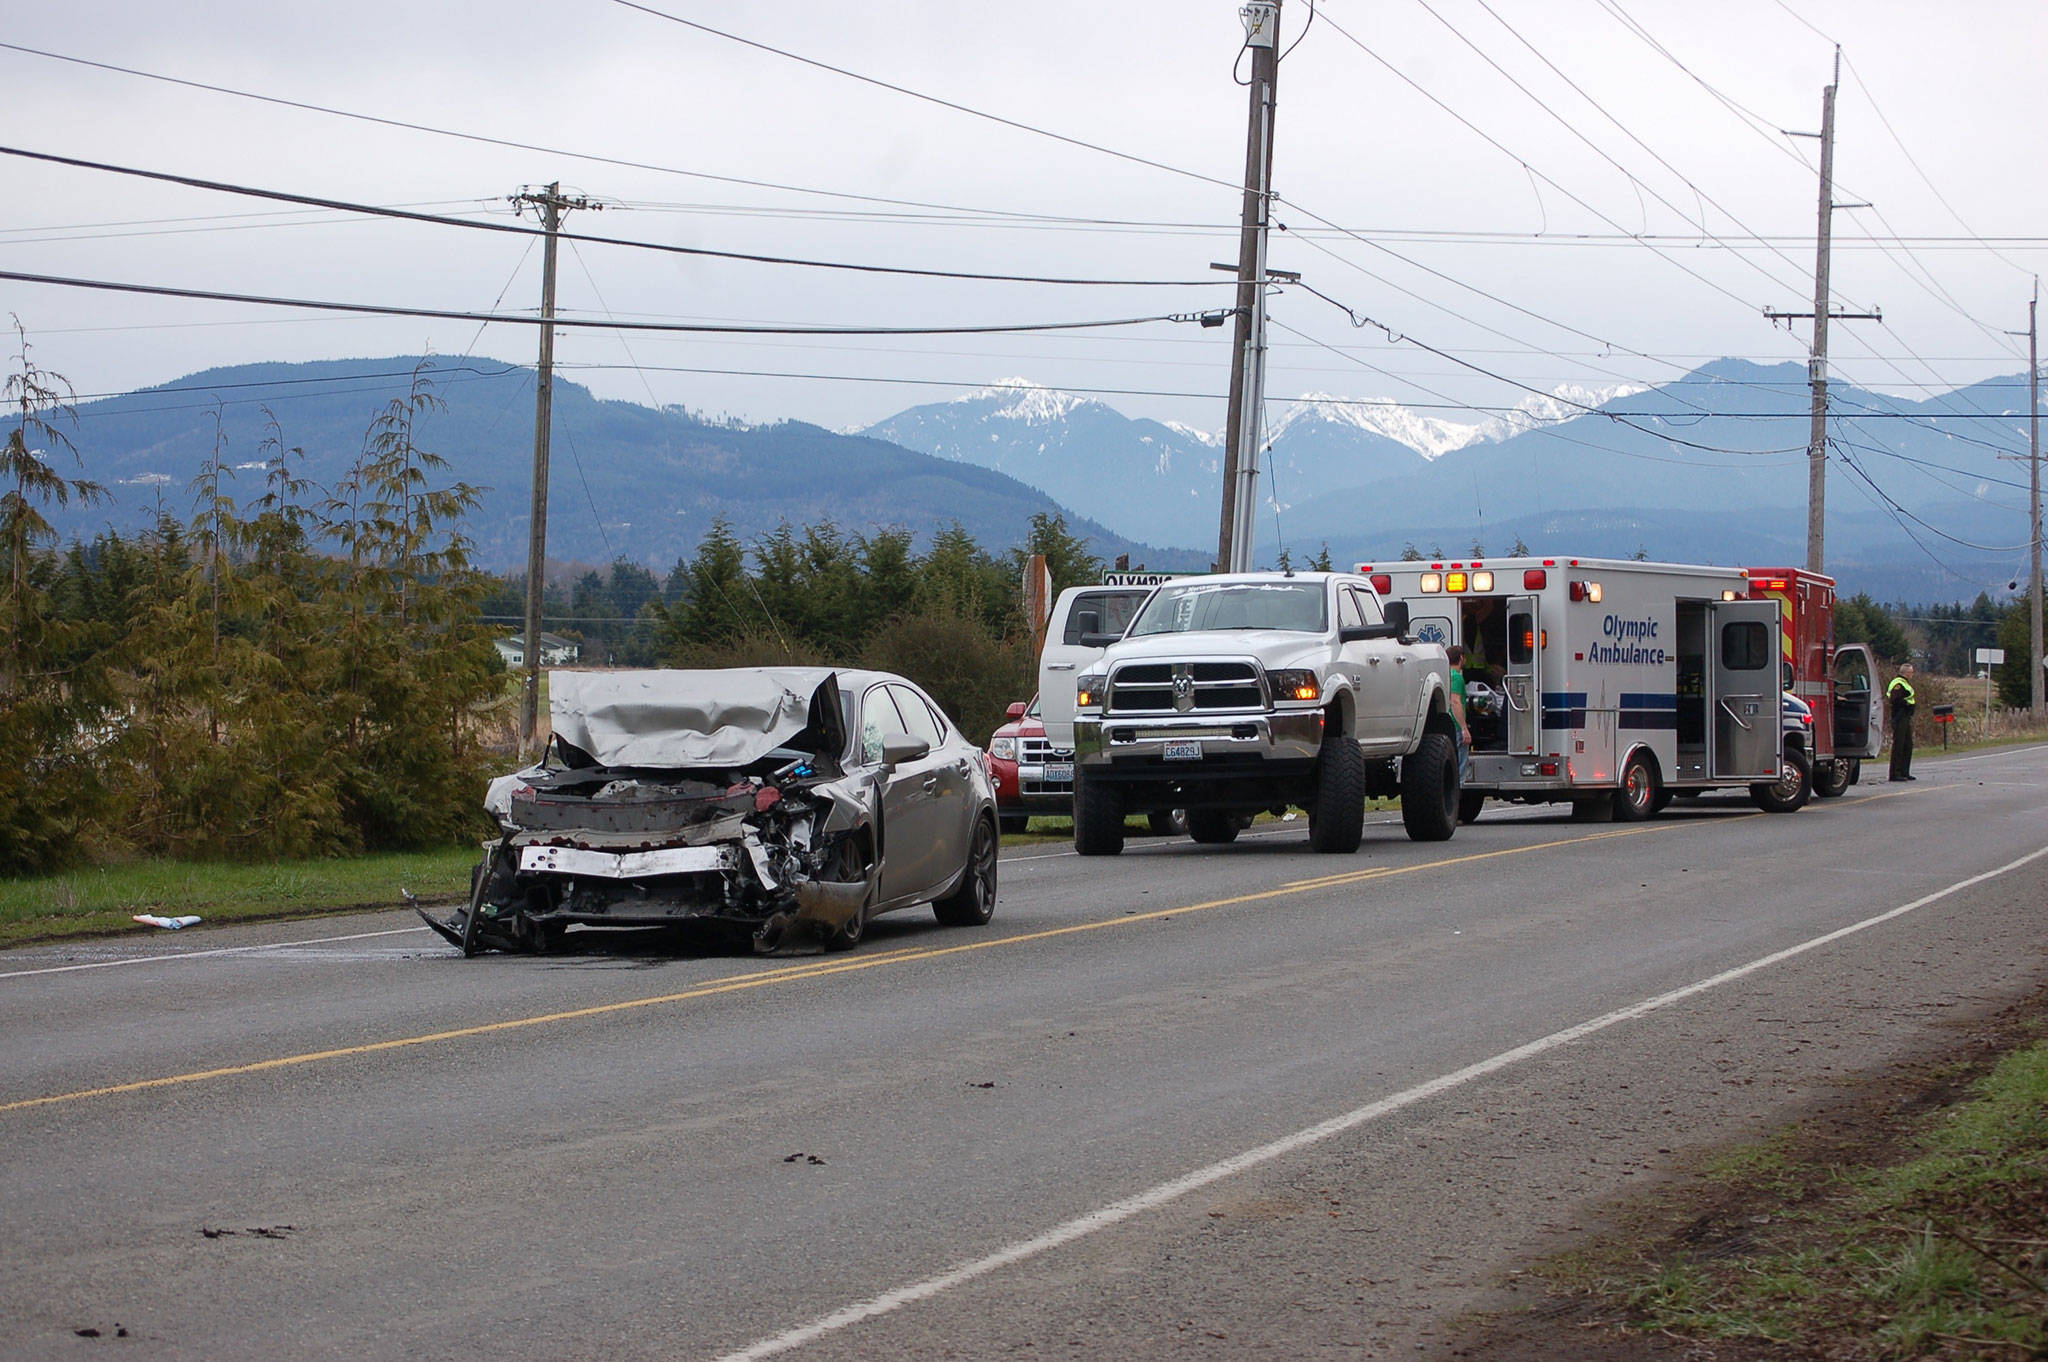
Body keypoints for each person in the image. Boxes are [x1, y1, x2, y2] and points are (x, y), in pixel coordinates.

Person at [1887, 661, 1918, 781]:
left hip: (1906, 716)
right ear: (1906, 673)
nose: (1912, 674)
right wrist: (1905, 704)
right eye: (1911, 672)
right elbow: (1895, 699)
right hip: (1900, 717)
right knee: (1899, 745)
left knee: (1907, 744)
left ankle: (1905, 771)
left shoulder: (1905, 683)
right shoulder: (1898, 684)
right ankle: (1895, 773)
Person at [1446, 644, 1472, 782]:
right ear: (1461, 658)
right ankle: (1458, 790)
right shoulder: (1456, 677)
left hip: (1448, 724)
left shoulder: (1445, 674)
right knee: (1461, 763)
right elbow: (1455, 702)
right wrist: (1464, 728)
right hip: (1456, 726)